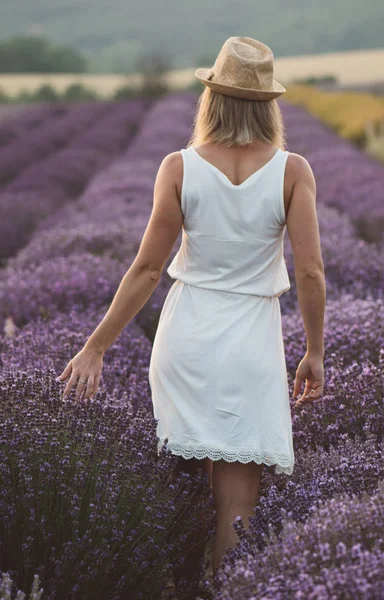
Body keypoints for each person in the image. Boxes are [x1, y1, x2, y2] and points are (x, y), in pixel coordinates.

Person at [57, 36, 325, 598]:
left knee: (177, 485)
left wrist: (97, 345)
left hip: (187, 337)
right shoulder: (292, 170)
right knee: (237, 503)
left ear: (211, 99)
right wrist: (314, 351)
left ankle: (178, 588)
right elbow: (310, 274)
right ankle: (224, 591)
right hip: (251, 341)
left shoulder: (179, 166)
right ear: (267, 104)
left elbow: (148, 269)